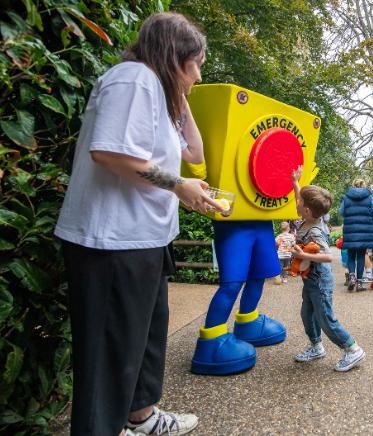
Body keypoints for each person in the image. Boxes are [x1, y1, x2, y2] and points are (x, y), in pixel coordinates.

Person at [54, 13, 218, 436]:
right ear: (172, 55)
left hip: (143, 239)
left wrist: (180, 94)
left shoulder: (160, 94)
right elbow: (109, 153)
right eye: (195, 64)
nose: (199, 74)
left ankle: (140, 418)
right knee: (110, 354)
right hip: (111, 240)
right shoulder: (132, 80)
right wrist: (179, 185)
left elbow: (195, 152)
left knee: (142, 341)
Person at [291, 166, 366, 371]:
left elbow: (327, 257)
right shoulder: (308, 218)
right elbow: (302, 200)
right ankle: (316, 346)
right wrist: (295, 182)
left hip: (320, 280)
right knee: (307, 313)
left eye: (299, 201)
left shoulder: (315, 229)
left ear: (306, 210)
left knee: (326, 319)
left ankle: (352, 349)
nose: (296, 201)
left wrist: (302, 255)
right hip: (310, 280)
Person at [339, 179, 373, 291]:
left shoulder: (346, 197)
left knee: (351, 255)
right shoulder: (370, 198)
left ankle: (352, 277)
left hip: (350, 229)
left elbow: (341, 212)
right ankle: (359, 283)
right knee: (361, 255)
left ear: (353, 186)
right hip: (365, 230)